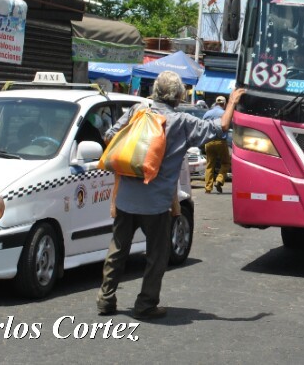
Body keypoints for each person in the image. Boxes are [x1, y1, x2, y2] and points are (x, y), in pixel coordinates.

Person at [96, 71, 244, 319]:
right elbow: (222, 127)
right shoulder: (182, 122)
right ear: (178, 96)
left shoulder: (137, 111)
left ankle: (106, 299)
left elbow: (109, 136)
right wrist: (231, 102)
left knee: (118, 249)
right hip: (156, 204)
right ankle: (146, 304)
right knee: (157, 254)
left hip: (126, 198)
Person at [202, 96, 232, 194]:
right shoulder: (224, 113)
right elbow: (228, 126)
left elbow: (202, 126)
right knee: (226, 162)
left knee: (210, 164)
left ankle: (208, 188)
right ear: (224, 104)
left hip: (209, 141)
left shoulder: (207, 113)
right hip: (220, 141)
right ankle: (219, 179)